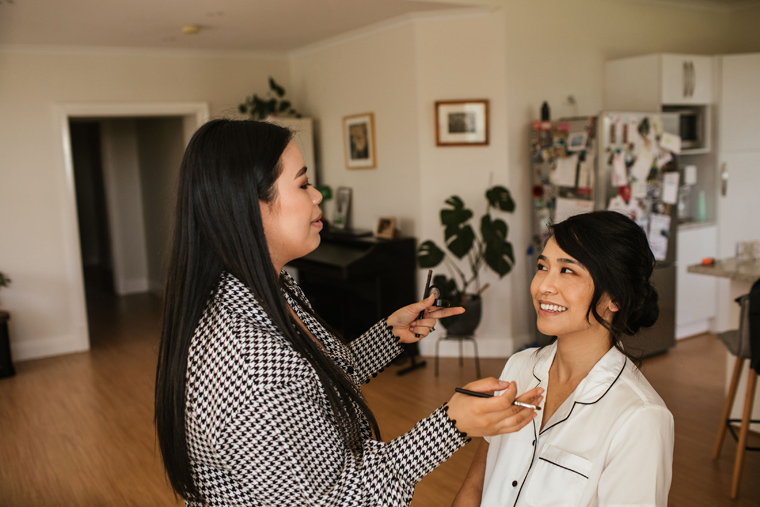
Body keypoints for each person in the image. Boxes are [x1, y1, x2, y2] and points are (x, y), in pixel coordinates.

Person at [154, 119, 543, 506]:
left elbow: (312, 383)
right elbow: (337, 499)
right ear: (249, 207)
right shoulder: (251, 368)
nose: (318, 195)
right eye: (303, 184)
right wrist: (451, 424)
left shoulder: (268, 291)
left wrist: (390, 335)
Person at [452, 210, 674, 507]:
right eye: (543, 267)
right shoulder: (519, 367)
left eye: (568, 271)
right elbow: (475, 487)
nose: (543, 286)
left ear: (615, 297)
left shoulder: (640, 418)